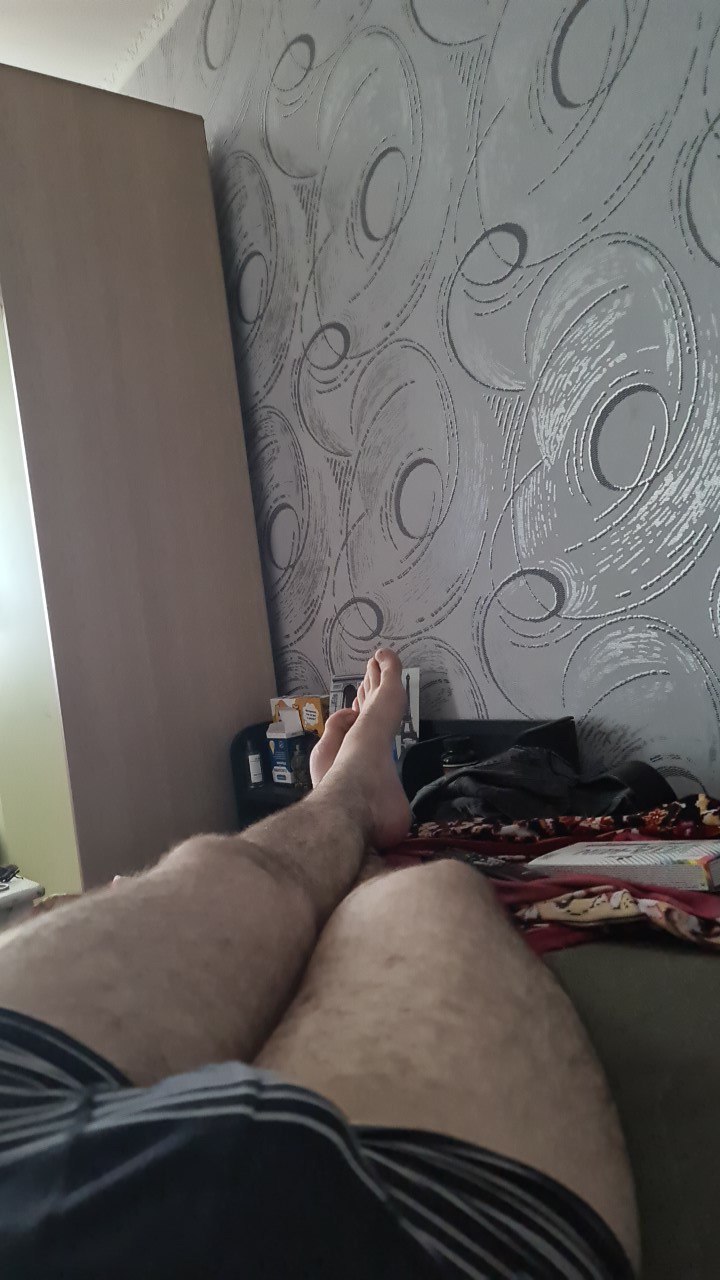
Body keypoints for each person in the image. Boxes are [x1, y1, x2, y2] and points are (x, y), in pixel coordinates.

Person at [0, 649, 639, 1278]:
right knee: (424, 895)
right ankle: (351, 807)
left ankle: (347, 793)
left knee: (220, 870)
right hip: (391, 1233)